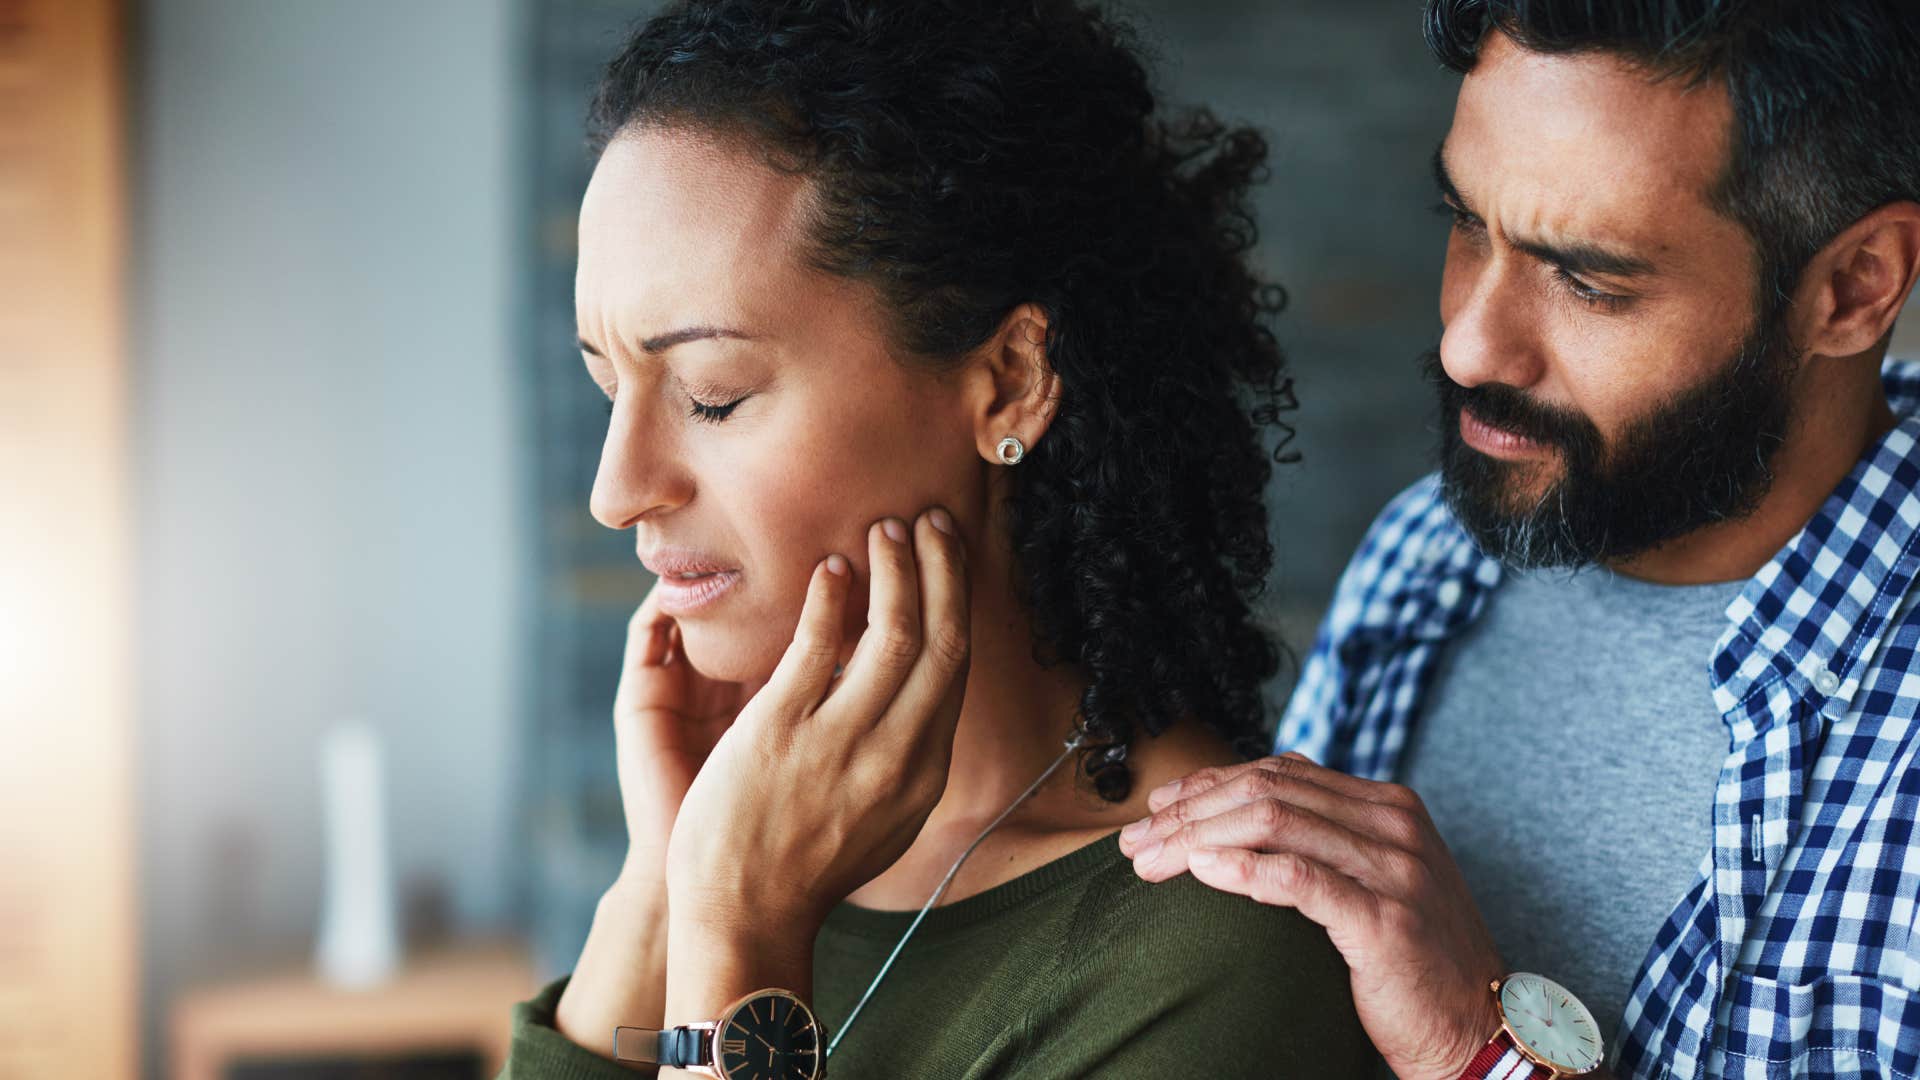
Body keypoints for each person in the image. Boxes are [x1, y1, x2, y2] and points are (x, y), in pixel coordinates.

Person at [498, 1, 1375, 1077]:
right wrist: (661, 890)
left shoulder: (1212, 958)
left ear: (1007, 383)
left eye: (712, 395)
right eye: (606, 387)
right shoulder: (756, 843)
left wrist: (739, 932)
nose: (616, 490)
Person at [1119, 2, 1920, 1077]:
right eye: (1466, 223)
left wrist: (1475, 1050)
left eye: (1588, 280)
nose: (1466, 345)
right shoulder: (1426, 558)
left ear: (1853, 287)